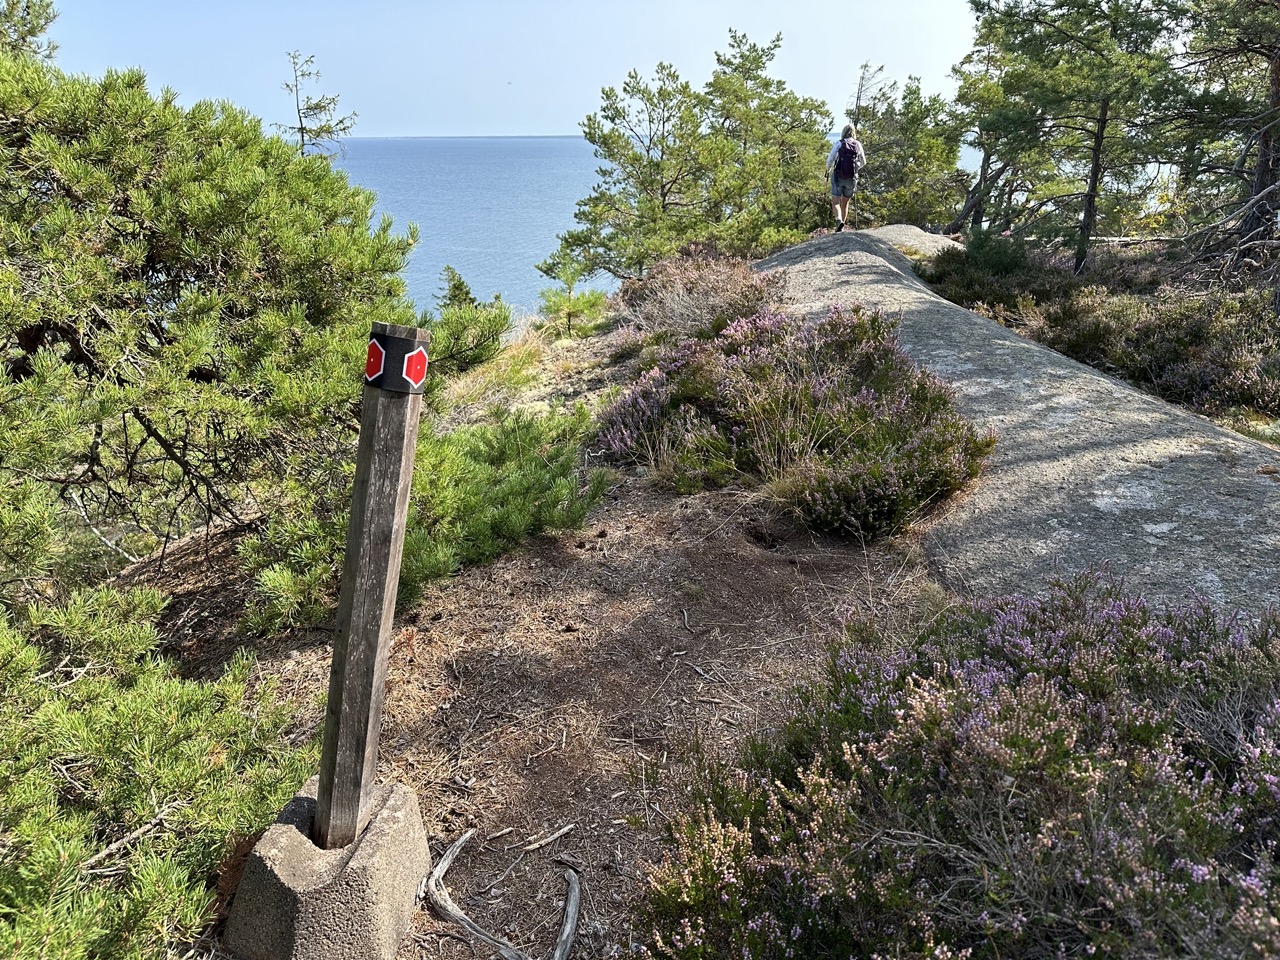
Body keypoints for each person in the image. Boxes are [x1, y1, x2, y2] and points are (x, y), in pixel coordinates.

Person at [826, 123, 866, 232]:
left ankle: (838, 220)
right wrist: (855, 169)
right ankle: (842, 226)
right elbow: (863, 162)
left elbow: (830, 159)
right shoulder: (858, 144)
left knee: (835, 201)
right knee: (845, 202)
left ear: (843, 132)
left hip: (838, 176)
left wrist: (828, 169)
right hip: (851, 178)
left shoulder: (839, 143)